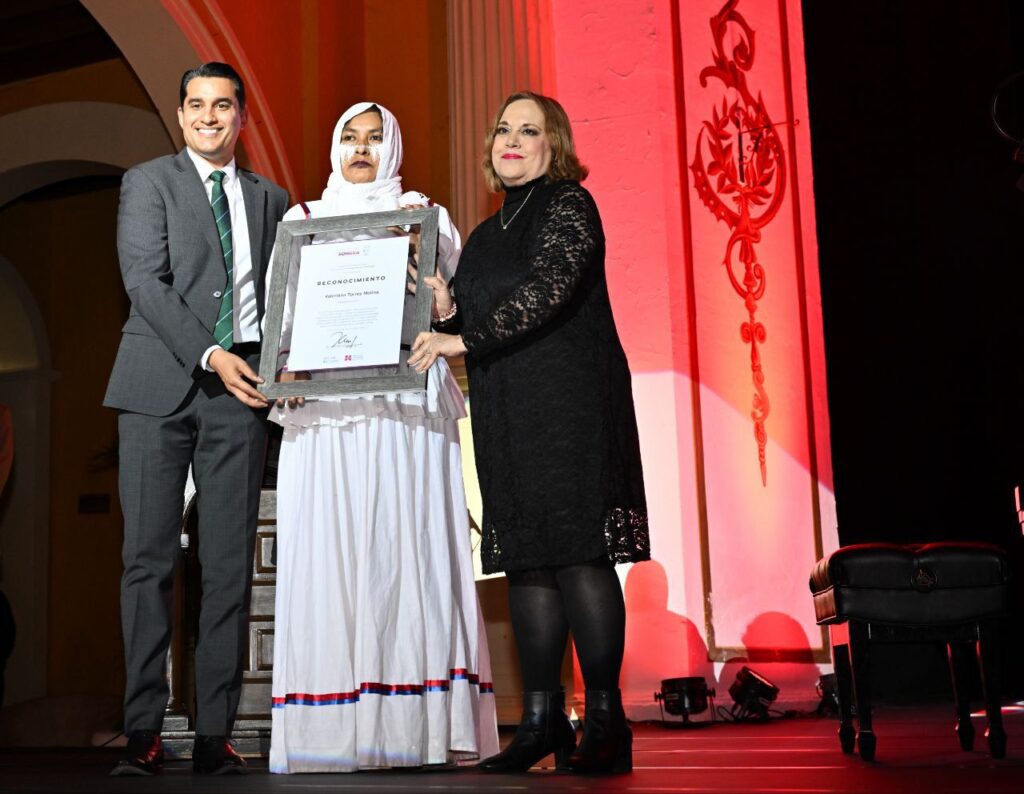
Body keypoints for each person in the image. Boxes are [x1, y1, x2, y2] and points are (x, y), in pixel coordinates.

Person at [410, 90, 650, 775]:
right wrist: (448, 310)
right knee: (526, 560)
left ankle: (605, 722)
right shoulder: (487, 234)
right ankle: (542, 723)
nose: (511, 140)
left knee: (579, 555)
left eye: (528, 130)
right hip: (508, 409)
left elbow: (550, 288)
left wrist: (462, 339)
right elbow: (477, 319)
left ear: (555, 144)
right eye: (503, 130)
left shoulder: (570, 204)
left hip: (570, 403)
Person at [267, 101, 498, 773]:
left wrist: (432, 284)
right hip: (327, 411)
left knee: (406, 544)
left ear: (392, 147)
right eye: (350, 137)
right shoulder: (302, 220)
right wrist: (286, 367)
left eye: (374, 138)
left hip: (405, 401)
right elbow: (284, 317)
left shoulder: (425, 215)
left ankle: (419, 724)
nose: (361, 149)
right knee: (333, 549)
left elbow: (451, 308)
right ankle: (330, 730)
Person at [103, 62, 288, 776]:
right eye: (196, 105)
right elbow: (144, 283)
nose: (209, 116)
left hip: (241, 398)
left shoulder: (272, 199)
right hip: (156, 389)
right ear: (181, 115)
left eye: (223, 105)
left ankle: (216, 732)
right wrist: (211, 355)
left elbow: (284, 293)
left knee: (228, 567)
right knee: (147, 563)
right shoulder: (148, 182)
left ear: (241, 116)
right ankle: (143, 729)